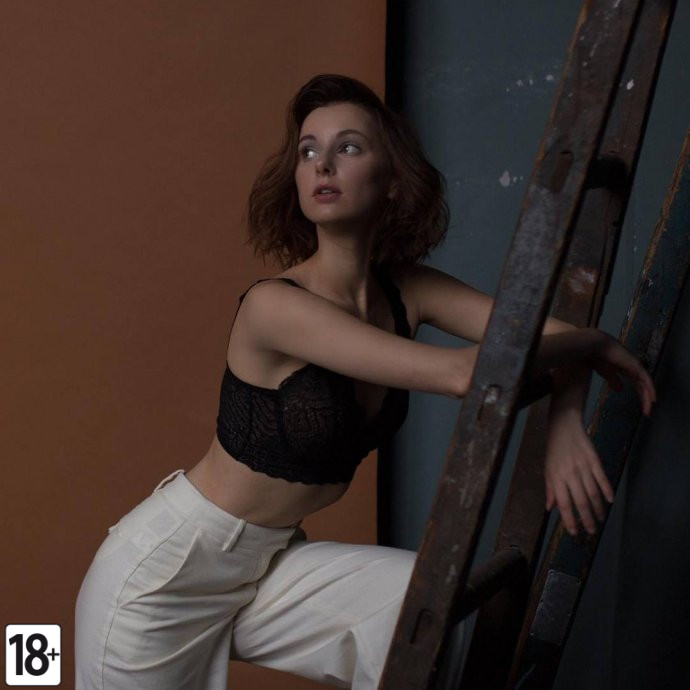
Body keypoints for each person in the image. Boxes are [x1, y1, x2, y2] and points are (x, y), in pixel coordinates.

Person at [74, 73, 656, 689]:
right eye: (308, 151)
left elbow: (545, 336)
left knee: (418, 602)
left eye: (348, 147)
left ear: (394, 179)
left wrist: (565, 415)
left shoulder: (407, 289)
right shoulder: (275, 306)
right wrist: (598, 344)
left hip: (268, 562)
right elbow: (467, 373)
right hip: (167, 576)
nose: (322, 163)